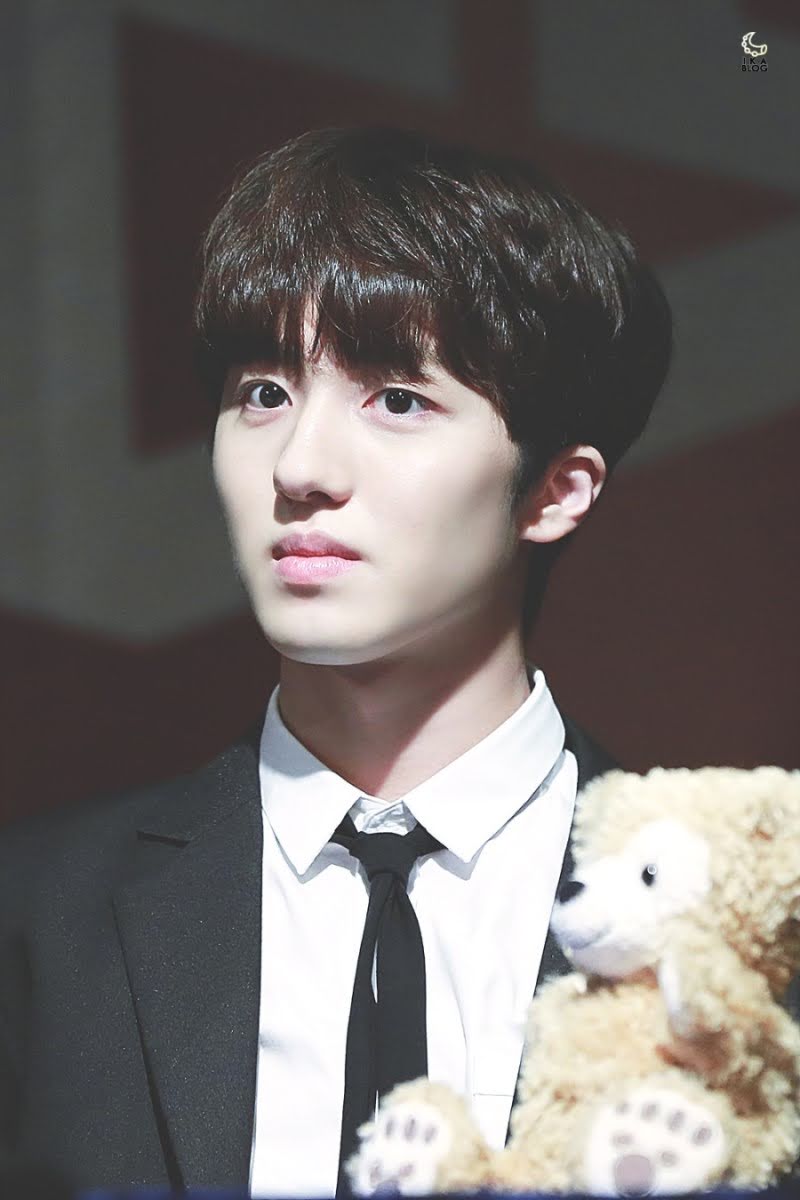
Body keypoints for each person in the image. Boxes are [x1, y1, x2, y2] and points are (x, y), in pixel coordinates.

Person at [0, 126, 673, 1196]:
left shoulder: (729, 922)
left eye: (397, 399)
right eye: (264, 393)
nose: (300, 466)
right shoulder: (38, 920)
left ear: (555, 491)